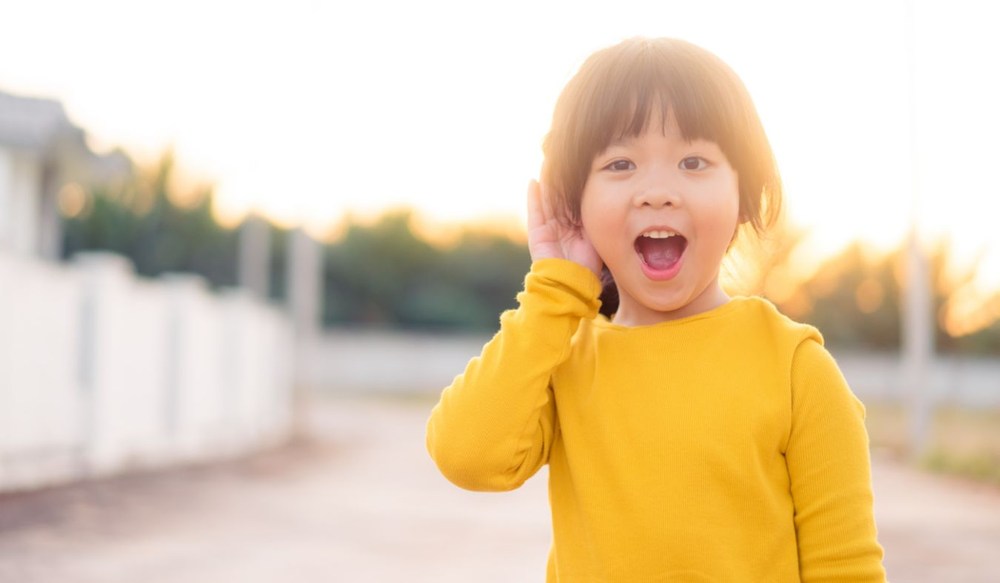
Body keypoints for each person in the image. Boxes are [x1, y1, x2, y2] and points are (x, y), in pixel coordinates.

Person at [426, 37, 886, 582]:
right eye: (620, 164)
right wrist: (556, 290)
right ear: (575, 205)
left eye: (694, 161)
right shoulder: (563, 359)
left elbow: (845, 567)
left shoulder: (795, 368)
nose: (657, 192)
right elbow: (467, 455)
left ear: (744, 196)